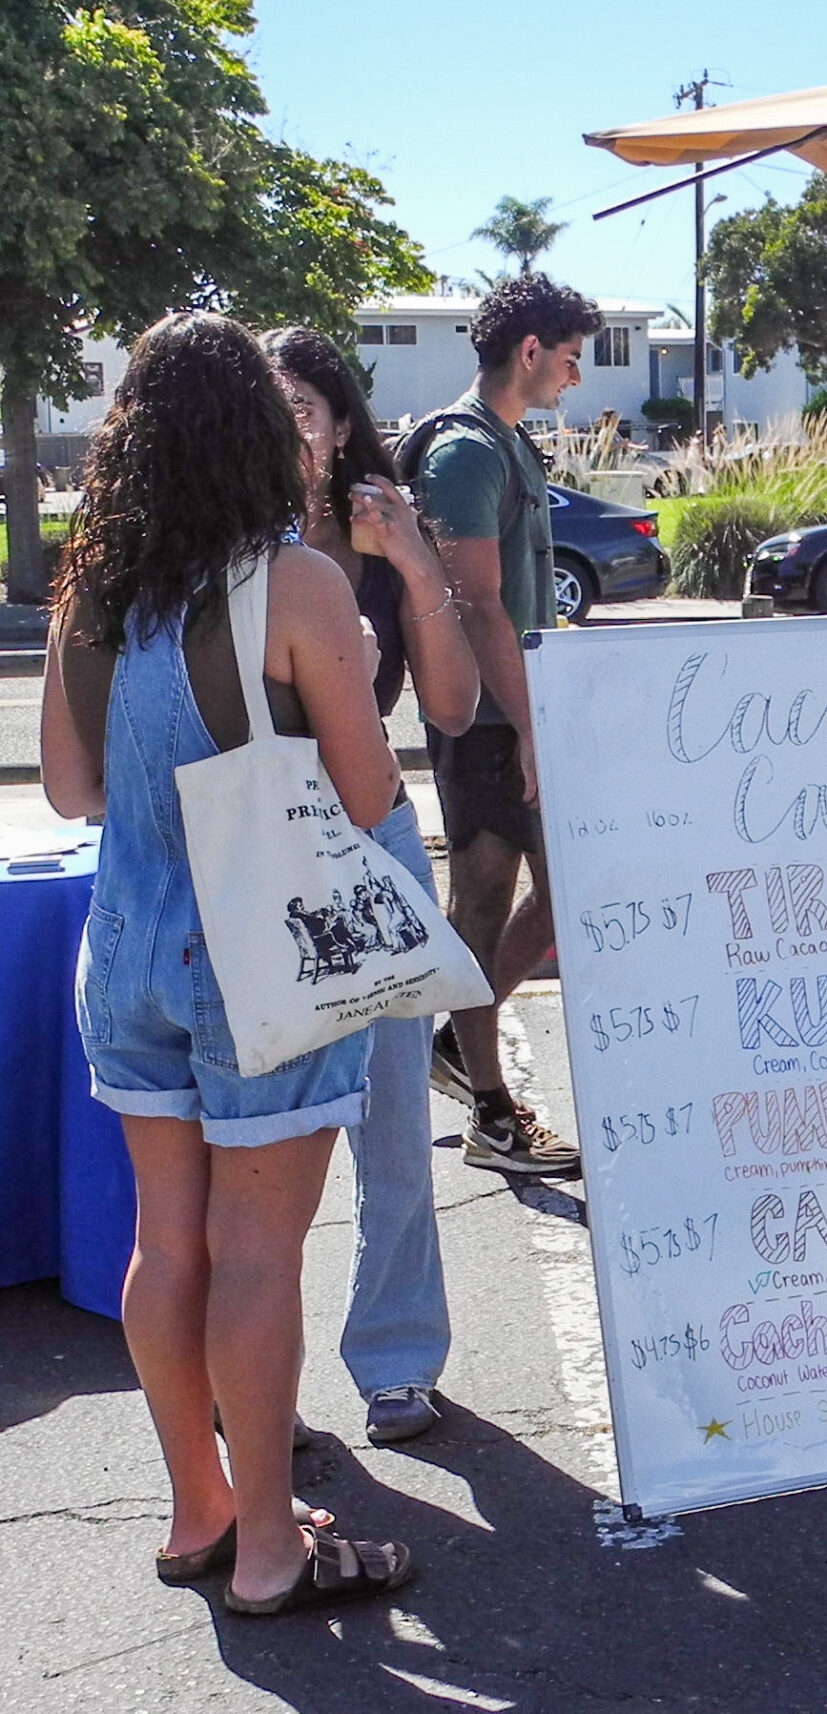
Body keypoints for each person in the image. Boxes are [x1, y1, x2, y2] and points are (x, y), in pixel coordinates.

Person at [40, 312, 414, 1613]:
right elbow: (368, 799)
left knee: (169, 1244)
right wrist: (346, 680)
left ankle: (198, 1507)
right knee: (260, 1251)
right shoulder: (297, 583)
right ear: (261, 434)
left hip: (128, 945)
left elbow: (72, 788)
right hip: (261, 954)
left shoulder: (94, 589)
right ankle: (270, 1545)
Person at [263, 327, 480, 1446]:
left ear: (342, 421)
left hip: (370, 838)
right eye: (267, 403)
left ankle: (396, 1356)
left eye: (303, 403)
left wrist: (414, 564)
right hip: (253, 850)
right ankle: (257, 1384)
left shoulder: (379, 527)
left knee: (391, 1120)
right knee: (260, 1135)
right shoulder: (223, 534)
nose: (287, 423)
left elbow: (445, 709)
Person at [407, 275, 603, 1176]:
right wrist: (529, 726)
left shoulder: (507, 443)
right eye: (569, 358)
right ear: (529, 351)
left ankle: (461, 1040)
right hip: (486, 721)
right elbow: (477, 605)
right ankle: (490, 1110)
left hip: (523, 712)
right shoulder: (465, 452)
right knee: (481, 903)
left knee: (565, 903)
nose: (575, 377)